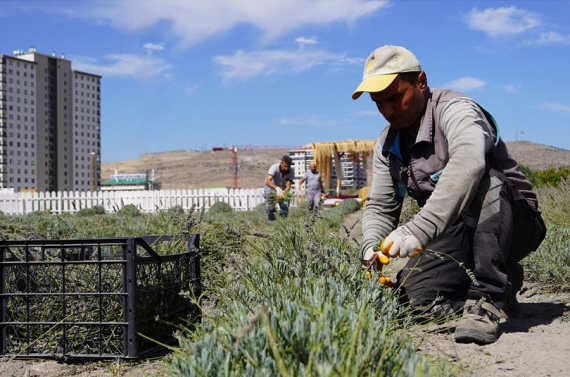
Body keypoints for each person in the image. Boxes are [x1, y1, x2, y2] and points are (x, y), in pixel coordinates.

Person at [352, 45, 546, 344]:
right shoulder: (387, 143)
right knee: (412, 304)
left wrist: (417, 230)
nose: (387, 111)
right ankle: (502, 282)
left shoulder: (456, 109)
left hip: (515, 223)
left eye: (394, 98)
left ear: (420, 81)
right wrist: (370, 248)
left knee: (481, 178)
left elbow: (469, 162)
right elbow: (380, 205)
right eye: (378, 103)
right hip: (457, 230)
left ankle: (488, 297)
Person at [265, 155, 295, 221]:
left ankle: (282, 222)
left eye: (288, 166)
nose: (286, 168)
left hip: (283, 188)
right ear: (281, 163)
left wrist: (284, 192)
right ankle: (271, 222)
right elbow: (267, 181)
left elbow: (288, 185)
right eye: (285, 166)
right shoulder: (274, 168)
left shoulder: (291, 171)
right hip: (271, 187)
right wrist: (277, 188)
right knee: (270, 206)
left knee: (285, 205)